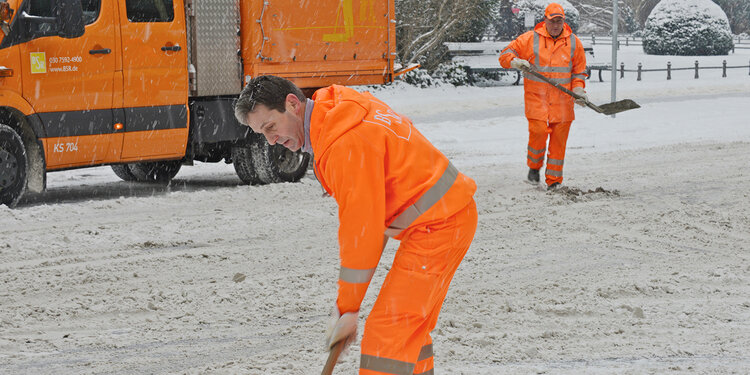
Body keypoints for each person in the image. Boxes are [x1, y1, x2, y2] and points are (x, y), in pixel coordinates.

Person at [234, 75, 478, 375]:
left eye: (270, 127)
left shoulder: (344, 142)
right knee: (407, 330)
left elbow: (361, 231)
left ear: (292, 104)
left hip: (440, 224)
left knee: (387, 331)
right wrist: (347, 308)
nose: (271, 140)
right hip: (443, 215)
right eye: (262, 133)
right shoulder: (336, 108)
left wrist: (348, 307)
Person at [499, 2, 588, 190]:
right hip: (537, 99)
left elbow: (579, 71)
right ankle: (534, 167)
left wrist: (579, 89)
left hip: (563, 103)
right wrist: (514, 61)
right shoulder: (530, 39)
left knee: (558, 143)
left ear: (564, 21)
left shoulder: (573, 42)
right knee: (538, 133)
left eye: (559, 21)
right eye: (552, 21)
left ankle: (554, 181)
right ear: (545, 20)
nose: (556, 25)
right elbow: (505, 53)